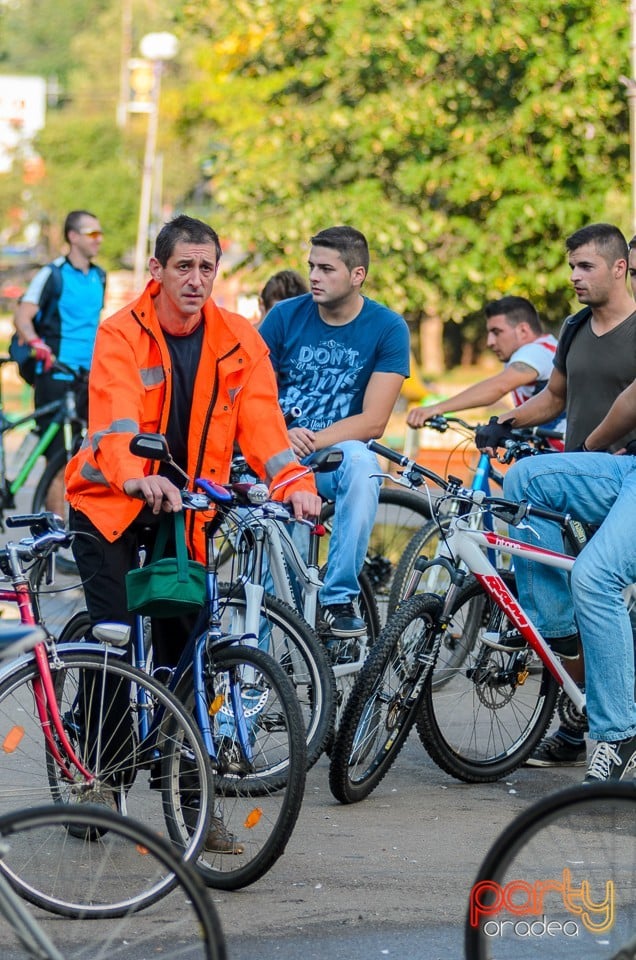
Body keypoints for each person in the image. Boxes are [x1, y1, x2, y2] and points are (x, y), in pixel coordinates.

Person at [65, 214, 321, 850]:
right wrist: (133, 476)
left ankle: (192, 809)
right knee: (115, 643)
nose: (197, 279)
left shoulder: (239, 339)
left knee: (191, 653)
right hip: (112, 505)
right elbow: (117, 419)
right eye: (184, 266)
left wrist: (294, 486)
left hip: (187, 513)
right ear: (157, 270)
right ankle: (96, 776)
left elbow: (264, 424)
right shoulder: (120, 334)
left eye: (207, 267)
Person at [477, 223, 636, 772]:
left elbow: (627, 409)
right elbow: (555, 396)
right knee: (524, 479)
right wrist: (504, 420)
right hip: (589, 477)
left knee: (597, 580)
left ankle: (617, 735)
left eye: (585, 266)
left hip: (618, 467)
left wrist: (595, 446)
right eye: (571, 266)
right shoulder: (572, 328)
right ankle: (558, 629)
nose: (573, 276)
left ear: (619, 267)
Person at [259, 225, 410, 638]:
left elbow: (374, 421)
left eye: (326, 268)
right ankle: (252, 676)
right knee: (273, 574)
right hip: (278, 456)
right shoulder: (284, 316)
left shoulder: (387, 327)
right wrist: (279, 434)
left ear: (357, 274)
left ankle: (338, 596)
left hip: (332, 456)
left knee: (364, 463)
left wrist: (313, 437)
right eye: (311, 266)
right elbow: (248, 390)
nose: (314, 277)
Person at [14, 210, 106, 513]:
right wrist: (37, 342)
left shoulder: (99, 276)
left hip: (87, 379)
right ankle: (54, 541)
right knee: (58, 463)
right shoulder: (51, 274)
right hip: (54, 376)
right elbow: (23, 316)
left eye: (100, 233)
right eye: (92, 233)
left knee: (90, 457)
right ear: (73, 236)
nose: (99, 239)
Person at [406, 295, 565, 436]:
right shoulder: (543, 348)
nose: (490, 342)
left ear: (523, 330)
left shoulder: (537, 351)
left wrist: (436, 408)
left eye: (497, 332)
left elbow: (498, 386)